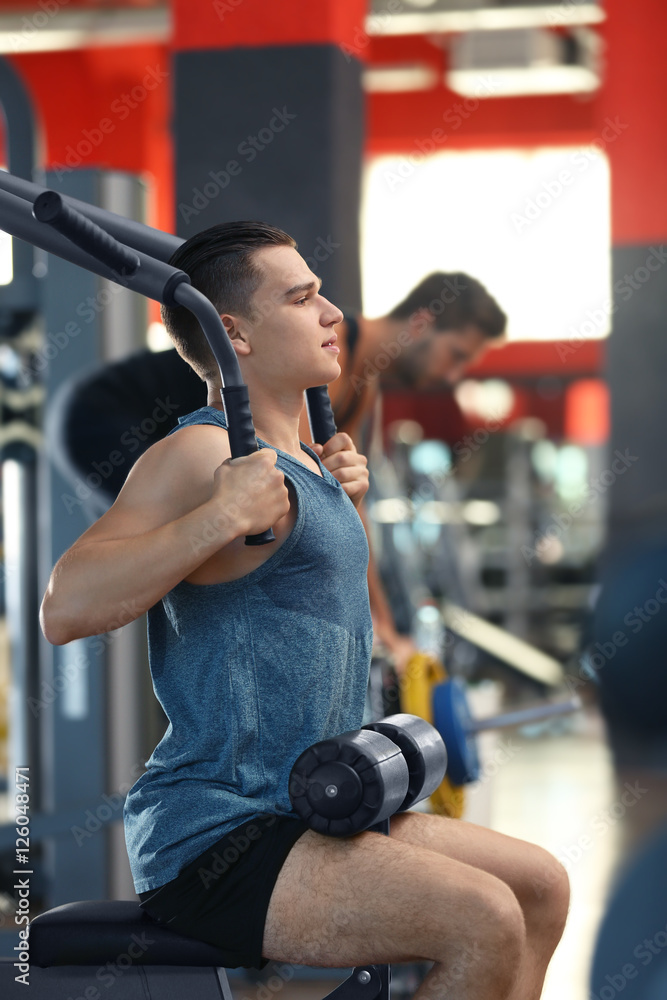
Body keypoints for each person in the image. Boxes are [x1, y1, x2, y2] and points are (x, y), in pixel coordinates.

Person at [40, 221, 568, 997]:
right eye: (302, 297)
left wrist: (342, 499)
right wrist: (217, 518)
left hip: (318, 806)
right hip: (222, 832)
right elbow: (65, 608)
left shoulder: (313, 459)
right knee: (481, 916)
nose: (332, 314)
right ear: (235, 334)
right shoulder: (204, 454)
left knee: (539, 886)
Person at [50, 268, 505, 675]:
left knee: (247, 539)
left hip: (156, 425)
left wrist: (383, 628)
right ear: (423, 323)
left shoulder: (361, 384)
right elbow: (310, 503)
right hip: (106, 417)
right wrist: (379, 630)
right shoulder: (326, 359)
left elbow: (344, 508)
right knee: (245, 538)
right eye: (457, 354)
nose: (453, 375)